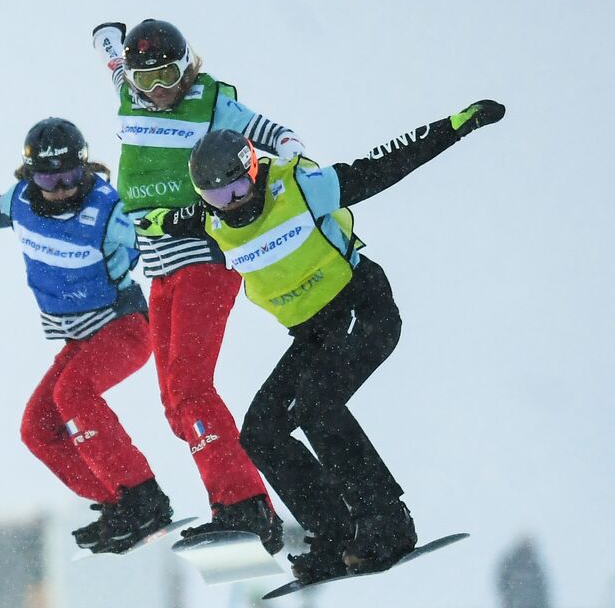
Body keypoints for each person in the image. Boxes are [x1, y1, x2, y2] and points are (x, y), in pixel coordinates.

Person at [139, 100, 505, 582]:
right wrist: (139, 225)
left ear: (253, 166)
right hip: (313, 334)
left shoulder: (300, 187)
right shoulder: (211, 218)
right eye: (218, 196)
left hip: (362, 309)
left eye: (238, 185)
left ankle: (387, 525)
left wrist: (456, 126)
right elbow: (168, 219)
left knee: (317, 404)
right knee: (262, 432)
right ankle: (334, 537)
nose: (233, 201)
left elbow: (385, 164)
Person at [88, 19, 308, 552]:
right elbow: (114, 63)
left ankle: (246, 506)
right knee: (173, 403)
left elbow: (278, 137)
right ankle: (235, 502)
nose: (160, 90)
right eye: (148, 80)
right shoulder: (132, 93)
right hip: (160, 267)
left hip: (204, 260)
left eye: (169, 75)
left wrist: (294, 168)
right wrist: (106, 38)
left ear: (188, 66)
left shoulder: (213, 104)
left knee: (190, 387)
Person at [0, 118, 173, 554]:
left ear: (84, 169)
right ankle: (117, 501)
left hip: (124, 328)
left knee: (73, 395)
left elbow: (155, 236)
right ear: (30, 176)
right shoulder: (22, 200)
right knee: (37, 428)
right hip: (80, 340)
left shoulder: (108, 210)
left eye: (69, 177)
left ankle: (143, 497)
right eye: (47, 177)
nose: (59, 188)